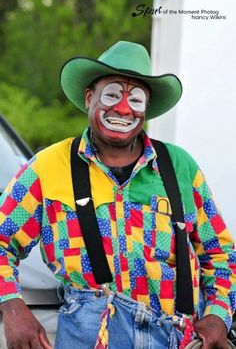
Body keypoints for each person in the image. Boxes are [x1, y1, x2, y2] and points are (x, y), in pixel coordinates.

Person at [0, 41, 235, 349]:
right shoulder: (49, 167)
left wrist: (219, 315)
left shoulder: (180, 167)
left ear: (146, 108)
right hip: (87, 336)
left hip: (174, 337)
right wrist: (12, 306)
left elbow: (221, 255)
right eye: (111, 94)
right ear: (89, 98)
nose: (123, 109)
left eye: (136, 100)